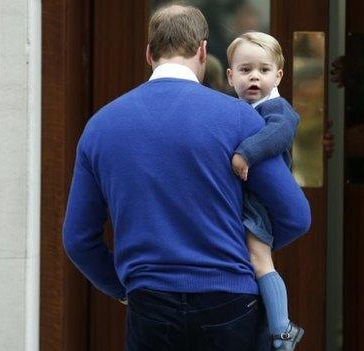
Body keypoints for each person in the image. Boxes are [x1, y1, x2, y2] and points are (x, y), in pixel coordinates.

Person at [62, 4, 311, 351]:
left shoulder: (100, 126)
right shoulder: (240, 118)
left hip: (150, 301)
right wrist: (244, 252)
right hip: (231, 302)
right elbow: (296, 216)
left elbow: (78, 239)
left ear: (149, 54)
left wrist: (122, 288)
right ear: (202, 50)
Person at [225, 31, 304, 350]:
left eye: (264, 70)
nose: (254, 77)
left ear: (279, 75)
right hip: (242, 201)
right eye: (245, 70)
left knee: (260, 260)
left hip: (259, 205)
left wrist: (245, 154)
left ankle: (283, 331)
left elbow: (279, 135)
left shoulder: (278, 110)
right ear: (230, 77)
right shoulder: (235, 109)